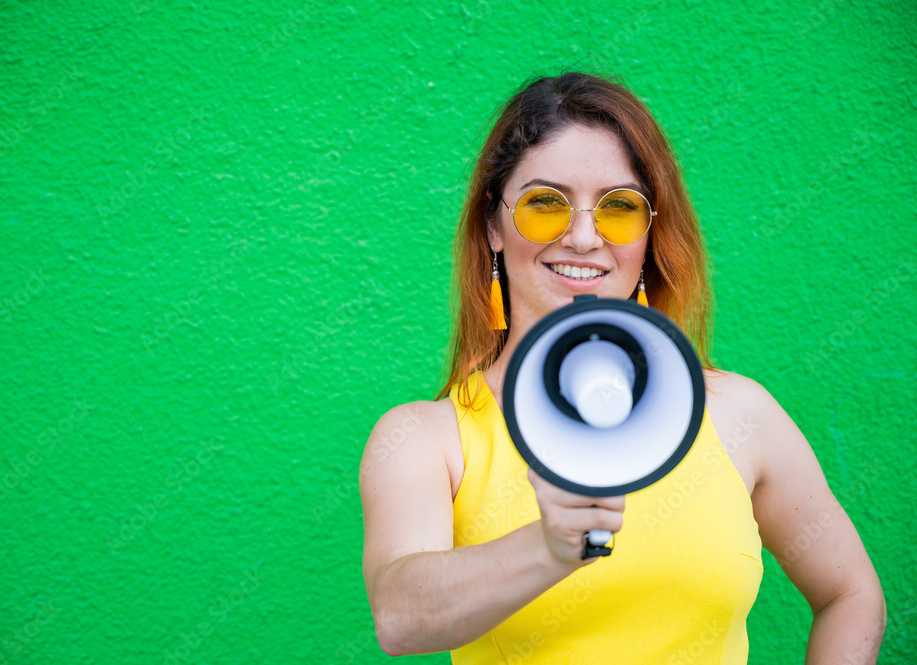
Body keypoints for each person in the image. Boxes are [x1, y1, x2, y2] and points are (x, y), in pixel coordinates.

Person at [359, 72, 885, 664]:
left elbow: (851, 593)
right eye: (544, 204)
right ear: (492, 226)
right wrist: (550, 549)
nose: (583, 236)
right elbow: (400, 618)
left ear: (650, 231)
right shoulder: (425, 440)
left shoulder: (740, 414)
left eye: (620, 208)